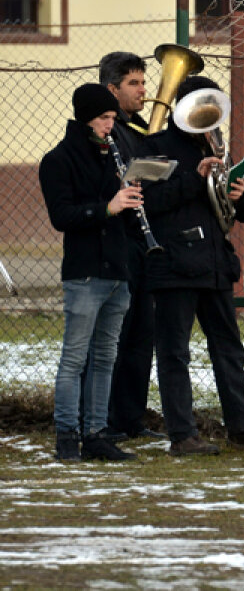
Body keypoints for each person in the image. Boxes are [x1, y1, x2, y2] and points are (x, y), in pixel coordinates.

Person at [140, 76, 244, 457]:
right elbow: (150, 203)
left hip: (214, 264)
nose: (207, 119)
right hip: (173, 264)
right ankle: (182, 435)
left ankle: (243, 428)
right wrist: (196, 178)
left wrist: (240, 193)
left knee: (229, 349)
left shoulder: (215, 144)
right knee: (175, 352)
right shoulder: (154, 148)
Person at [39, 83, 143, 461]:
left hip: (118, 271)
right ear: (86, 118)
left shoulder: (115, 155)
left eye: (114, 119)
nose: (110, 126)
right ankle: (67, 436)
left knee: (105, 358)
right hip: (84, 274)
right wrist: (109, 207)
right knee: (74, 358)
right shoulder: (59, 159)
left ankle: (96, 433)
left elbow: (121, 214)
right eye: (104, 118)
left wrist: (132, 200)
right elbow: (62, 216)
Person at [99, 51, 165, 442]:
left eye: (144, 82)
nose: (144, 90)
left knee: (142, 334)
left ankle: (131, 418)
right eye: (135, 83)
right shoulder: (108, 131)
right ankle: (104, 418)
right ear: (112, 89)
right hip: (118, 244)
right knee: (115, 337)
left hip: (143, 244)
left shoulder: (139, 129)